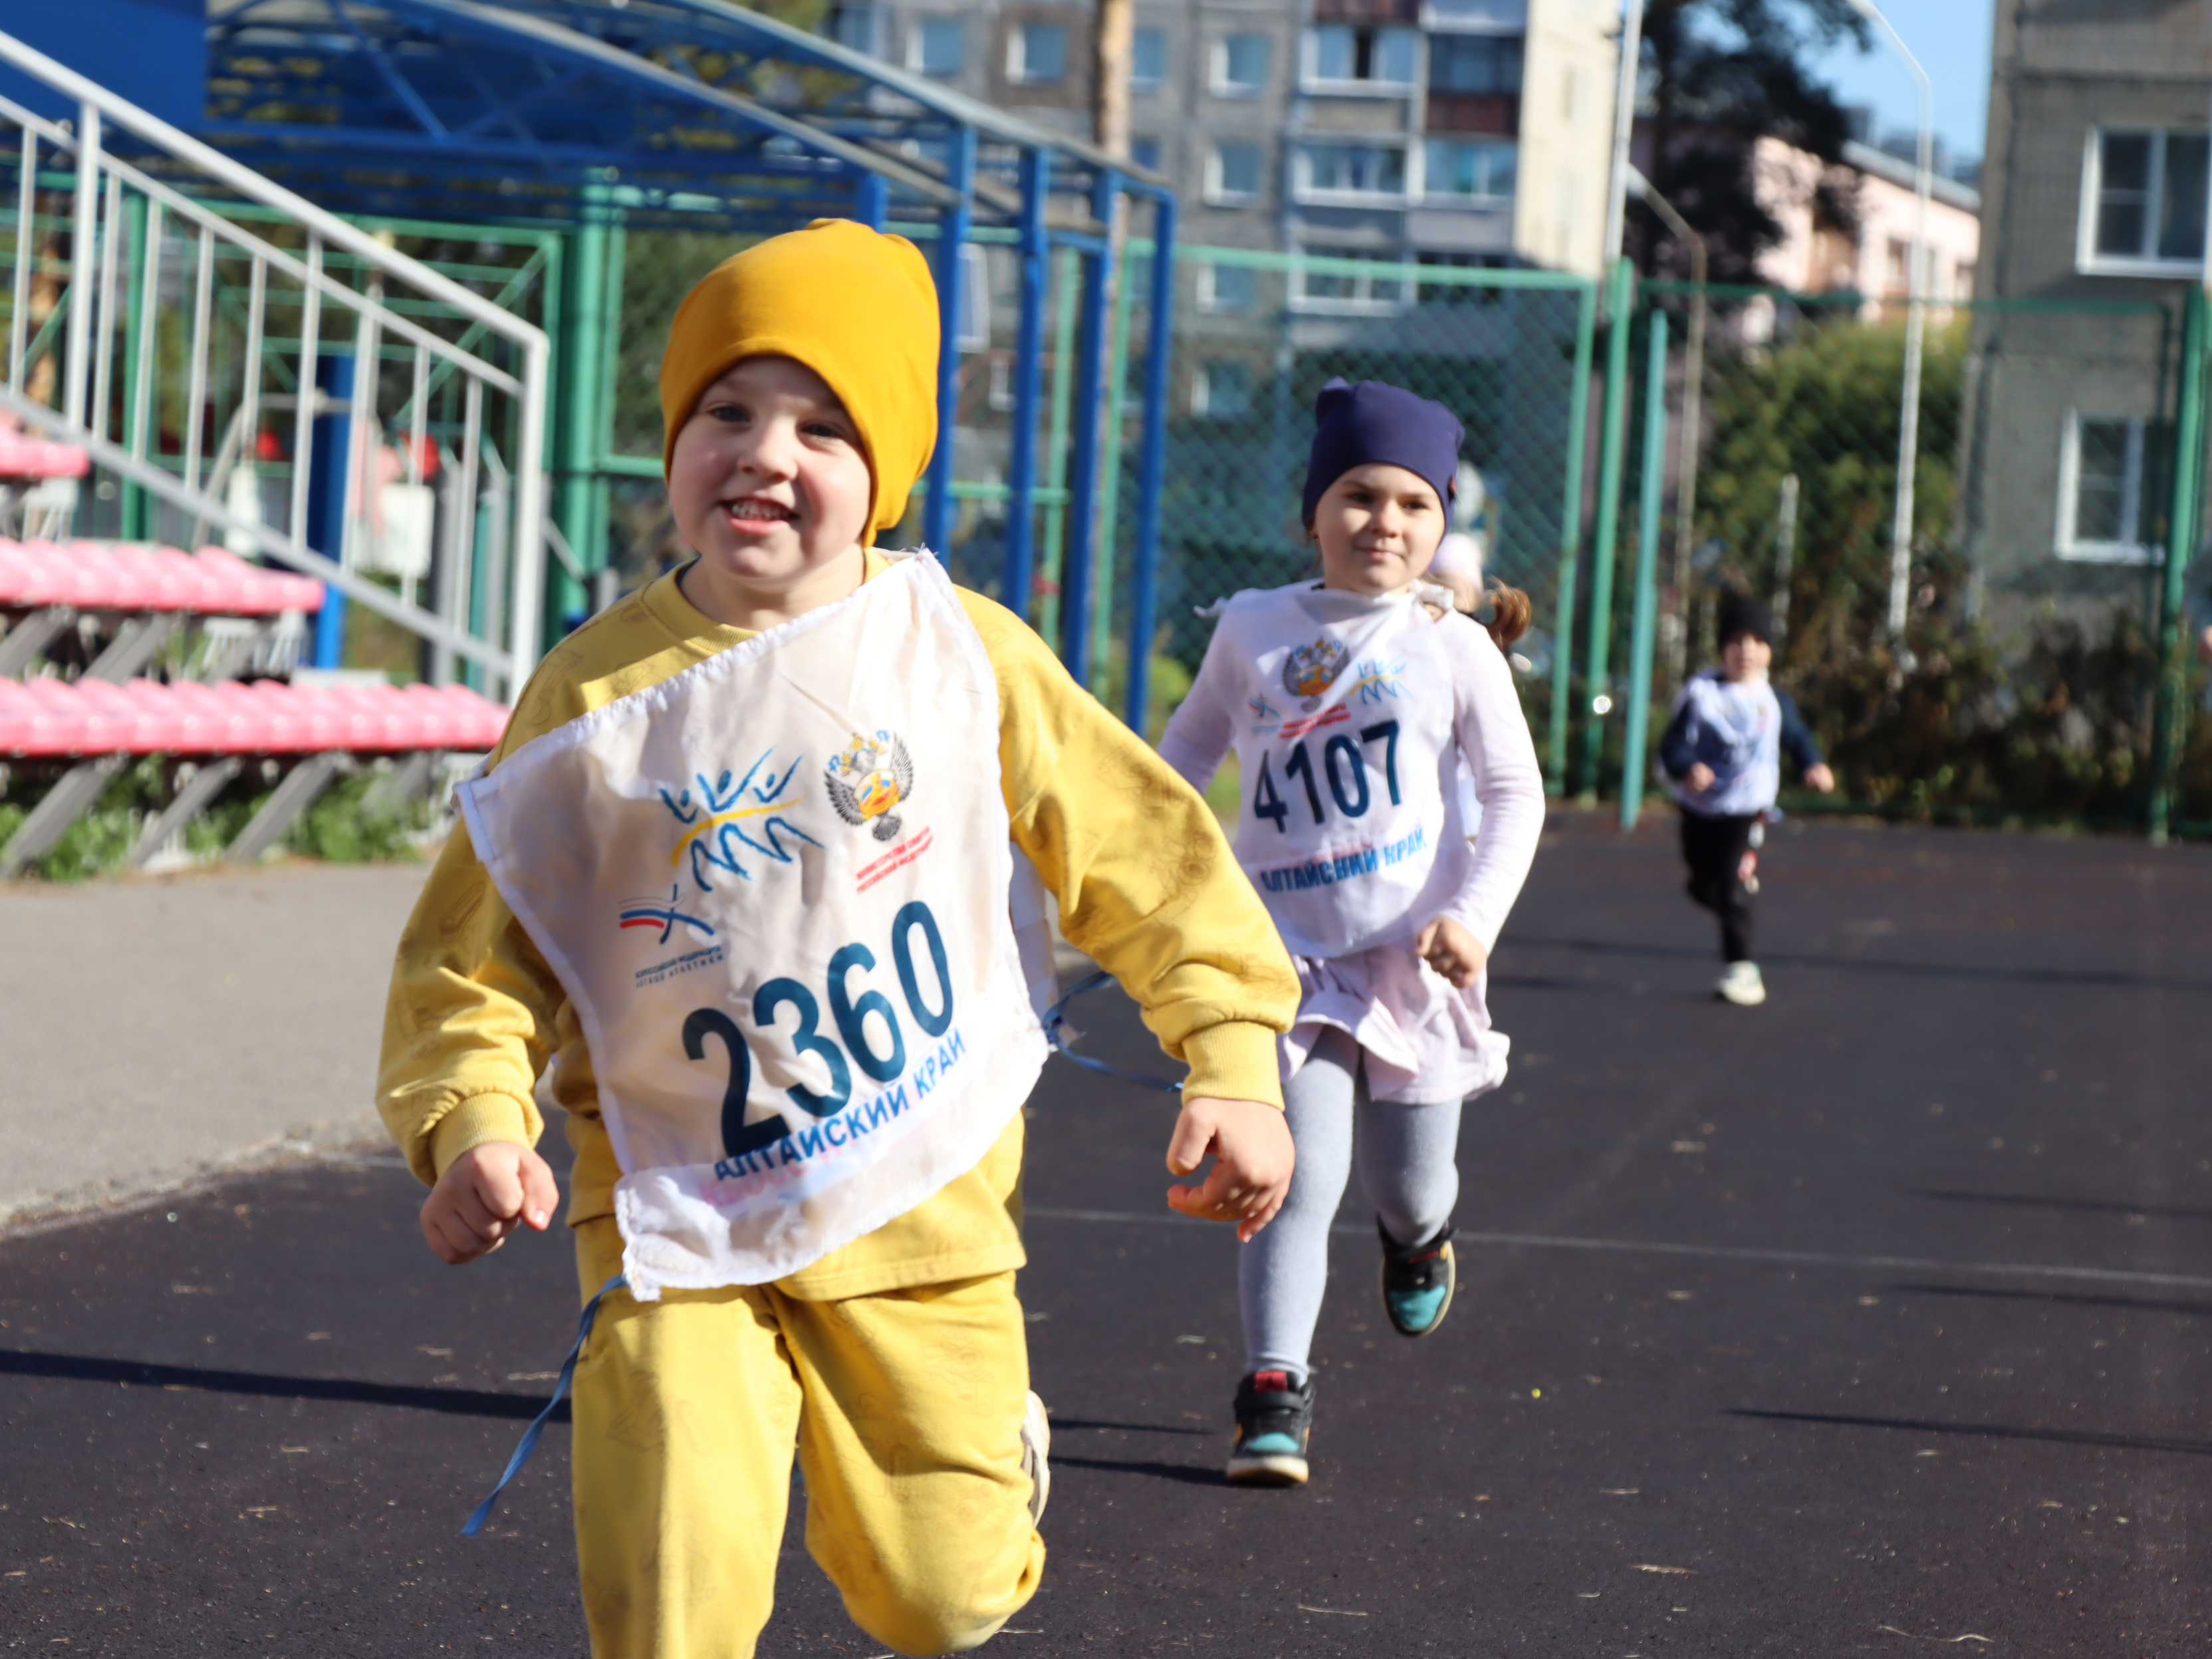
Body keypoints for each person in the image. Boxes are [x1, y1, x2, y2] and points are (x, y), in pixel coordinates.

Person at [375, 219, 1302, 1659]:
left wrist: (1232, 1057)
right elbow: (481, 945)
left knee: (936, 1595)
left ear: (885, 474)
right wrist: (474, 1117)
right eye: (725, 412)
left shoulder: (958, 649)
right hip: (677, 1209)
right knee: (667, 1580)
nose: (765, 452)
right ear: (672, 444)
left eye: (821, 424)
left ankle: (992, 1474)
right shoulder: (593, 690)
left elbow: (1146, 857)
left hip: (916, 1199)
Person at [1156, 379, 1546, 1487]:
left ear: (1442, 523)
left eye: (1414, 504)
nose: (1386, 522)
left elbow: (1513, 793)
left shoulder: (1452, 645)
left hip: (1411, 963)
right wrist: (1168, 892)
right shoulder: (1250, 630)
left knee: (1409, 1187)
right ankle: (1273, 1388)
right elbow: (1177, 772)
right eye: (1360, 496)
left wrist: (1471, 920)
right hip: (1279, 959)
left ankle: (1418, 1238)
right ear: (1312, 513)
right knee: (1294, 1172)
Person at [1658, 590, 1836, 1007]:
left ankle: (1743, 969)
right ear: (1722, 648)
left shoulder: (1773, 700)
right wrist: (1688, 767)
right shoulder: (1701, 692)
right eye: (1736, 642)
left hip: (1747, 810)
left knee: (1734, 891)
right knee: (1705, 885)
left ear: (1770, 651)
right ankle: (1724, 890)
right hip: (1701, 809)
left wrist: (1814, 763)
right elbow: (1672, 744)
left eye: (1757, 642)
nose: (1746, 652)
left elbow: (1797, 736)